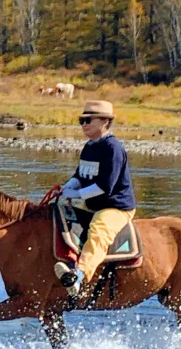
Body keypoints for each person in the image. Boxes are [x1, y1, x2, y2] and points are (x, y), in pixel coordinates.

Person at [53, 99, 136, 302]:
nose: (84, 124)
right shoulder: (89, 146)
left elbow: (105, 187)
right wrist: (69, 186)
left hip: (115, 207)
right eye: (81, 120)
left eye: (88, 120)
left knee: (98, 232)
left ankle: (78, 277)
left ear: (105, 122)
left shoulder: (113, 148)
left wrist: (76, 195)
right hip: (92, 204)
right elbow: (81, 174)